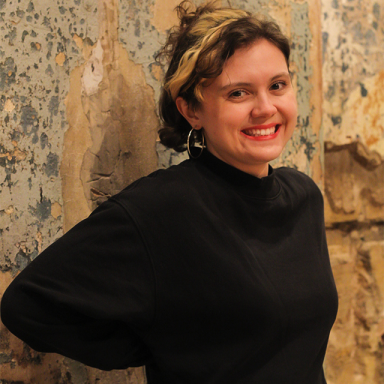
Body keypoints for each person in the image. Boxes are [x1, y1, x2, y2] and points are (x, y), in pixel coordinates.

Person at [1, 1, 338, 383]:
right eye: (238, 94)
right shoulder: (163, 208)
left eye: (277, 86)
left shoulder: (303, 195)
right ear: (192, 110)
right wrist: (161, 345)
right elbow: (27, 305)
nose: (265, 108)